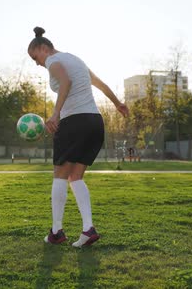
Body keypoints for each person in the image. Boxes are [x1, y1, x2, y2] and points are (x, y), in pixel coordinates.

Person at [27, 27, 129, 247]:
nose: (36, 63)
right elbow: (99, 83)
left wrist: (55, 114)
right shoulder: (76, 60)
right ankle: (88, 229)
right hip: (94, 122)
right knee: (76, 177)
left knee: (60, 175)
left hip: (74, 122)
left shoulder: (53, 62)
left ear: (43, 48)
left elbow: (66, 83)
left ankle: (56, 232)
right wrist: (117, 103)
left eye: (35, 57)